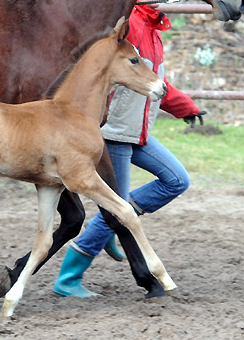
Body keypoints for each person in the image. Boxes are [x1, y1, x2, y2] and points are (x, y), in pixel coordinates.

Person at [53, 3, 206, 298]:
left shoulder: (154, 28)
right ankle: (68, 278)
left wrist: (186, 107)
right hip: (116, 133)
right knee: (114, 207)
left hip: (139, 132)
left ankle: (109, 226)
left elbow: (152, 79)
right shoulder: (131, 23)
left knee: (176, 180)